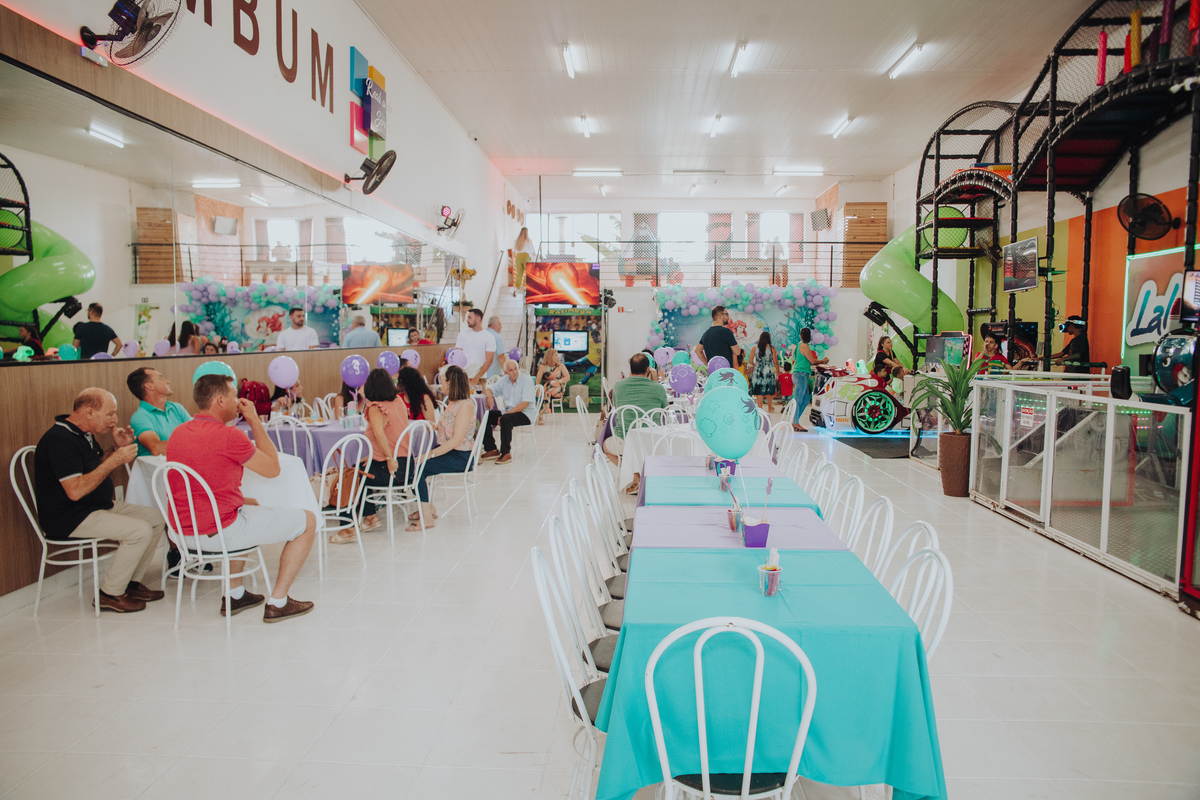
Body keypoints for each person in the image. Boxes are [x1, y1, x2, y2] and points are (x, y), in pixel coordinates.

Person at [166, 374, 316, 621]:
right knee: (307, 521)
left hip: (181, 532)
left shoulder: (178, 433)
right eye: (234, 395)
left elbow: (200, 483)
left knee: (245, 508)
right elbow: (272, 469)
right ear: (221, 400)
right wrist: (254, 420)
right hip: (217, 532)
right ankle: (278, 601)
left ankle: (235, 595)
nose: (238, 400)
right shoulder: (229, 436)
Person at [34, 388, 166, 613]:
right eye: (110, 414)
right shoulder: (59, 440)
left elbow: (93, 467)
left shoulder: (82, 433)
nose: (115, 420)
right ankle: (109, 594)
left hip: (96, 506)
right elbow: (75, 491)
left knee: (156, 518)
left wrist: (115, 449)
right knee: (140, 531)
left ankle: (129, 583)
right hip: (70, 516)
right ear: (88, 412)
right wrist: (115, 460)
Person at [408, 365, 478, 530]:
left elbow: (456, 440)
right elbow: (444, 428)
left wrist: (429, 454)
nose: (441, 384)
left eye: (443, 380)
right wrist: (428, 425)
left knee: (418, 469)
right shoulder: (451, 402)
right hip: (450, 452)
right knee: (412, 463)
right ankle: (427, 508)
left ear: (451, 382)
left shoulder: (465, 405)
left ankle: (427, 518)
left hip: (461, 457)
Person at [357, 368, 411, 535]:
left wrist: (388, 458)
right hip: (408, 467)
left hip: (392, 470)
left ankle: (369, 516)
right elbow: (392, 434)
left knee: (353, 474)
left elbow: (380, 435)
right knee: (361, 465)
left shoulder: (375, 407)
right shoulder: (398, 402)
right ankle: (369, 514)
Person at [605, 353, 669, 493]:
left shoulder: (618, 386)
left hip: (624, 440)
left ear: (630, 368)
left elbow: (616, 405)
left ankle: (635, 476)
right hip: (652, 440)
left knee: (605, 446)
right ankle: (645, 474)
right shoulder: (658, 388)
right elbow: (665, 408)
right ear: (648, 369)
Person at [480, 359, 536, 465]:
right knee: (485, 416)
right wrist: (489, 396)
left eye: (515, 369)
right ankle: (491, 449)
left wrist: (506, 414)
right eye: (511, 370)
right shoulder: (504, 380)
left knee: (506, 419)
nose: (514, 372)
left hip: (526, 413)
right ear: (505, 372)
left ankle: (506, 453)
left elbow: (525, 404)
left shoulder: (526, 380)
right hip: (508, 411)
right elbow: (489, 389)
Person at [128, 367, 192, 457]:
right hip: (158, 470)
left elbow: (195, 435)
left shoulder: (177, 408)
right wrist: (192, 446)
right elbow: (156, 448)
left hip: (183, 464)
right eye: (161, 378)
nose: (167, 381)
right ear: (149, 386)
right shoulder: (140, 417)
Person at [792, 327, 828, 433]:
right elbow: (812, 361)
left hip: (800, 373)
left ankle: (795, 420)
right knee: (799, 399)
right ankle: (795, 422)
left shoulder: (799, 345)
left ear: (801, 335)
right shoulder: (804, 346)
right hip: (801, 374)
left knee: (805, 399)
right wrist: (823, 361)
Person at [455, 307, 496, 385]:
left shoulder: (489, 337)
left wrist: (476, 377)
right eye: (467, 317)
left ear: (478, 319)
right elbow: (457, 357)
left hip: (480, 378)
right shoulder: (462, 335)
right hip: (463, 377)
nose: (467, 320)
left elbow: (489, 361)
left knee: (481, 397)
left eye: (470, 317)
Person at [747, 330, 780, 412]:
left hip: (758, 371)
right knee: (769, 389)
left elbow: (750, 360)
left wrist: (756, 365)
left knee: (759, 389)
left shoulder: (755, 348)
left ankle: (760, 407)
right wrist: (778, 372)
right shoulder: (771, 348)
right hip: (768, 370)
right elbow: (775, 361)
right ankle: (769, 407)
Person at [535, 347, 569, 424]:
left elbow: (567, 377)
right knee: (547, 390)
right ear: (550, 357)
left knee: (550, 386)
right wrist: (538, 390)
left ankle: (542, 412)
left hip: (558, 388)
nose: (558, 357)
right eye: (555, 355)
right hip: (547, 388)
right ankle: (544, 409)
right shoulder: (543, 367)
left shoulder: (561, 366)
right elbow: (538, 380)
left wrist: (559, 381)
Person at [513, 227, 535, 292]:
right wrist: (534, 258)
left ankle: (516, 288)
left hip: (518, 257)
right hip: (526, 257)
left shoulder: (517, 241)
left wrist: (516, 258)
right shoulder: (528, 241)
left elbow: (514, 251)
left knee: (519, 273)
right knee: (527, 273)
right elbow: (532, 251)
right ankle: (525, 287)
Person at [486, 316, 508, 380]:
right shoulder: (497, 337)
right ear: (493, 325)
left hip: (481, 374)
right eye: (499, 325)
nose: (501, 327)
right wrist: (506, 372)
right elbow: (501, 356)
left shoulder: (481, 335)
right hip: (493, 375)